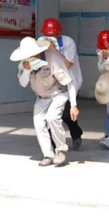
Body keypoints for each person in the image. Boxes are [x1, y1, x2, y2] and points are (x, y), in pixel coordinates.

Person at [11, 36, 79, 167]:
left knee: (52, 117)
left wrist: (73, 105)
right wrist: (27, 70)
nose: (29, 57)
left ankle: (61, 150)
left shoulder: (52, 59)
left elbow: (69, 81)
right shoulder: (25, 63)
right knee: (38, 123)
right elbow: (23, 83)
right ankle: (48, 155)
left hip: (58, 94)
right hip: (42, 97)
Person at [40, 18, 84, 150]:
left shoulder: (68, 42)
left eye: (53, 35)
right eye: (47, 35)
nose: (50, 38)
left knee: (66, 114)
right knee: (49, 115)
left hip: (70, 82)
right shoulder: (41, 42)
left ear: (59, 33)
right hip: (52, 84)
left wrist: (53, 49)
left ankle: (76, 133)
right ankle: (53, 145)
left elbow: (67, 64)